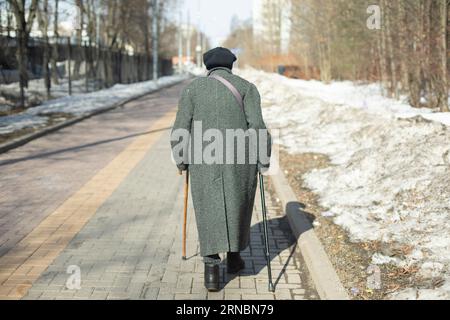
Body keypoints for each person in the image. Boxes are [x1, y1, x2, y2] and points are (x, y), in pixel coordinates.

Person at [170, 47, 271, 291]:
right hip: (240, 159)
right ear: (231, 65)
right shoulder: (247, 88)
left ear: (208, 66)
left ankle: (211, 271)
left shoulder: (192, 89)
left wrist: (181, 158)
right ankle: (234, 259)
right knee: (240, 205)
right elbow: (257, 126)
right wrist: (263, 160)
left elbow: (181, 128)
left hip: (203, 159)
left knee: (208, 210)